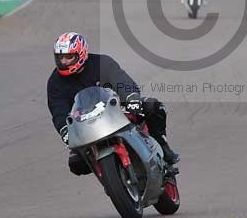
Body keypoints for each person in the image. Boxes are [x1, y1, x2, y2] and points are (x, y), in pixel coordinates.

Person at [47, 32, 180, 174]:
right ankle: (109, 180)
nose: (64, 62)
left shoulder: (101, 63)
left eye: (69, 57)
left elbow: (121, 81)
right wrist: (65, 130)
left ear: (81, 53)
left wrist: (132, 98)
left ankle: (163, 146)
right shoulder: (55, 82)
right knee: (76, 164)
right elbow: (58, 110)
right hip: (85, 124)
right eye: (60, 57)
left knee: (152, 106)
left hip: (116, 110)